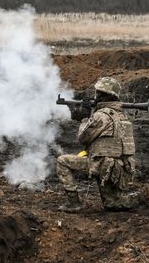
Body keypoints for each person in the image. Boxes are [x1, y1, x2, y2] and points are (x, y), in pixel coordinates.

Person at [56, 77, 137, 212]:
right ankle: (143, 198)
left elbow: (83, 138)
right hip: (118, 170)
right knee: (113, 205)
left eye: (98, 93)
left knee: (62, 161)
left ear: (104, 95)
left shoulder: (101, 116)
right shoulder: (122, 116)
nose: (96, 96)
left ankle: (73, 203)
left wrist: (84, 118)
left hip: (102, 166)